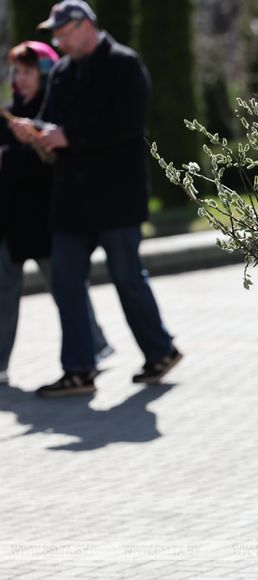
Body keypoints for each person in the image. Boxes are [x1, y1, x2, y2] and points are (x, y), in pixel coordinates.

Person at [10, 0, 181, 397]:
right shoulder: (64, 73)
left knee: (126, 276)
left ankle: (160, 351)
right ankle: (79, 371)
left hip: (116, 197)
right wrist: (35, 133)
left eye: (64, 32)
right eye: (56, 34)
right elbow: (52, 124)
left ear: (86, 26)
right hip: (71, 200)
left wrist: (71, 136)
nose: (58, 40)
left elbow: (128, 122)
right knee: (66, 282)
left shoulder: (124, 63)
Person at [0, 41, 112, 388]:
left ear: (45, 73)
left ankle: (95, 343)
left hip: (46, 218)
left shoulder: (54, 111)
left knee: (65, 289)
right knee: (3, 291)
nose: (20, 78)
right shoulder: (8, 113)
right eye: (17, 71)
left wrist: (22, 146)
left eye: (28, 71)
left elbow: (51, 161)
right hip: (10, 220)